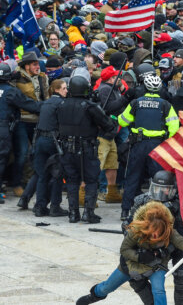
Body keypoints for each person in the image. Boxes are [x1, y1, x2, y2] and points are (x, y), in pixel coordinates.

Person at [76, 201, 183, 305]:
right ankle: (93, 295)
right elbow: (124, 250)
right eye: (153, 231)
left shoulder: (169, 231)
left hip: (156, 266)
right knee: (106, 287)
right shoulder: (136, 231)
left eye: (159, 232)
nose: (156, 235)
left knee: (159, 291)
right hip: (131, 266)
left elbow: (179, 240)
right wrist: (139, 256)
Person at [123, 170, 183, 304]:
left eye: (165, 190)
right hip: (148, 245)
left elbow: (182, 234)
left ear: (173, 190)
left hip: (174, 244)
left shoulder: (180, 205)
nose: (160, 193)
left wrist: (167, 250)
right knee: (133, 275)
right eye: (157, 188)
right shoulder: (142, 201)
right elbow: (128, 225)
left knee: (182, 274)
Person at [118, 74, 180, 221]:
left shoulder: (136, 103)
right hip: (157, 146)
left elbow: (123, 121)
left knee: (132, 177)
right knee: (159, 179)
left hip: (138, 144)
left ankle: (125, 211)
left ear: (144, 87)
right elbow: (174, 127)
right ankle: (161, 211)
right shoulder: (165, 105)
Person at [57, 76, 116, 223]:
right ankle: (88, 213)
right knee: (91, 180)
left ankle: (73, 214)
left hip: (66, 148)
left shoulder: (61, 104)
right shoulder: (90, 106)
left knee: (71, 180)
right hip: (86, 148)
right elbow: (109, 126)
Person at [0, 63, 41, 203]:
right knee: (1, 158)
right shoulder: (10, 91)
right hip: (3, 128)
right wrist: (49, 105)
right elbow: (28, 104)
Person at [96, 66, 135, 204]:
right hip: (103, 133)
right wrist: (126, 98)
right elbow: (110, 107)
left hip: (111, 132)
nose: (119, 79)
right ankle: (93, 193)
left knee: (112, 163)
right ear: (111, 78)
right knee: (99, 163)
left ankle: (111, 192)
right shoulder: (105, 89)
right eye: (117, 77)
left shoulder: (114, 88)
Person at [29, 79, 68, 216]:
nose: (66, 90)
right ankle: (55, 207)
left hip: (40, 140)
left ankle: (39, 206)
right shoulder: (62, 104)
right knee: (57, 175)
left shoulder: (46, 103)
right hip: (54, 142)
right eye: (64, 88)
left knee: (42, 176)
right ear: (57, 90)